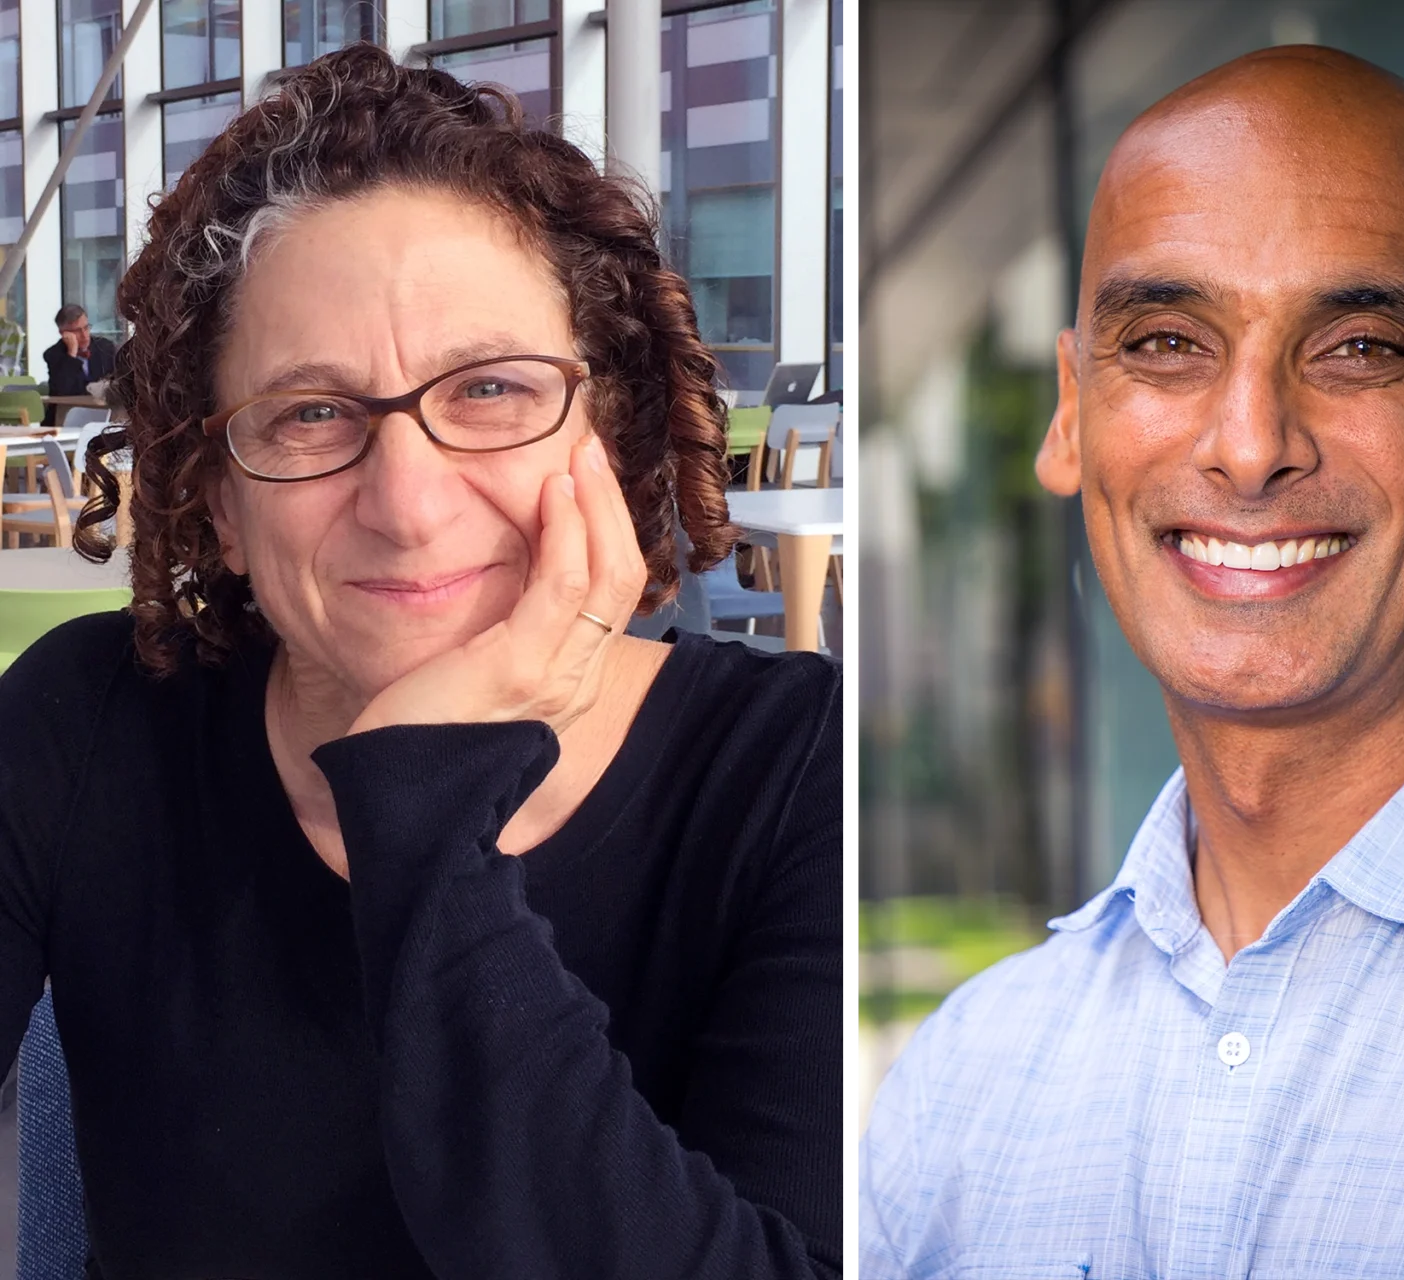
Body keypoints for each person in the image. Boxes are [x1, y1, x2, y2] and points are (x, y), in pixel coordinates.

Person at [855, 45, 1404, 1276]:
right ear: (1071, 411)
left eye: (1360, 346)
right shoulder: (959, 1076)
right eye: (1164, 342)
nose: (1250, 444)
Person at [0, 44, 845, 1275]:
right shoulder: (86, 725)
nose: (406, 503)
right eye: (309, 413)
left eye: (492, 389)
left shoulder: (805, 778)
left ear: (604, 437)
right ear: (221, 504)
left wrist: (427, 806)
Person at [39, 304, 114, 426]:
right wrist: (72, 354)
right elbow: (62, 390)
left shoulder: (105, 348)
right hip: (65, 416)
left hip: (102, 414)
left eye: (86, 328)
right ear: (63, 333)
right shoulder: (53, 354)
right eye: (77, 331)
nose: (85, 335)